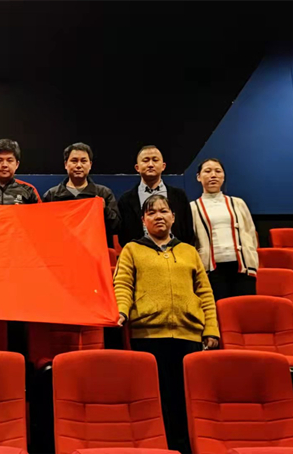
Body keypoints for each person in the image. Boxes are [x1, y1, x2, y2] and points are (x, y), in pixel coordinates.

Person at [114, 194, 219, 454]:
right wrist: (121, 311)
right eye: (151, 212)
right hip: (148, 337)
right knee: (155, 400)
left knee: (184, 401)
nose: (158, 216)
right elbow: (123, 285)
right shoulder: (132, 249)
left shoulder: (189, 251)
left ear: (173, 217)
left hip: (188, 338)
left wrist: (211, 329)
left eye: (163, 211)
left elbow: (205, 293)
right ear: (143, 220)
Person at [191, 158, 258, 301]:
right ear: (198, 177)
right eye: (207, 171)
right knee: (217, 309)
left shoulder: (238, 203)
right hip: (211, 271)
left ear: (223, 176)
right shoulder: (192, 208)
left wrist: (251, 257)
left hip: (242, 268)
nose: (213, 175)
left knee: (244, 308)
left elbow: (250, 233)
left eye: (218, 171)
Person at [43, 142, 120, 246]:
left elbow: (116, 227)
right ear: (66, 164)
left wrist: (104, 210)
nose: (79, 165)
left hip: (94, 251)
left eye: (83, 161)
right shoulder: (51, 195)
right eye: (74, 161)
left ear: (90, 165)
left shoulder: (103, 193)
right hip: (61, 250)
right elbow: (44, 230)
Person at [117, 145, 194, 247]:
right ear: (137, 168)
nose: (150, 164)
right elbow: (123, 236)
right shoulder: (125, 200)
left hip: (176, 253)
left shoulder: (179, 196)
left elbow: (188, 232)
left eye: (155, 160)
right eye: (146, 160)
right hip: (139, 253)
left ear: (163, 166)